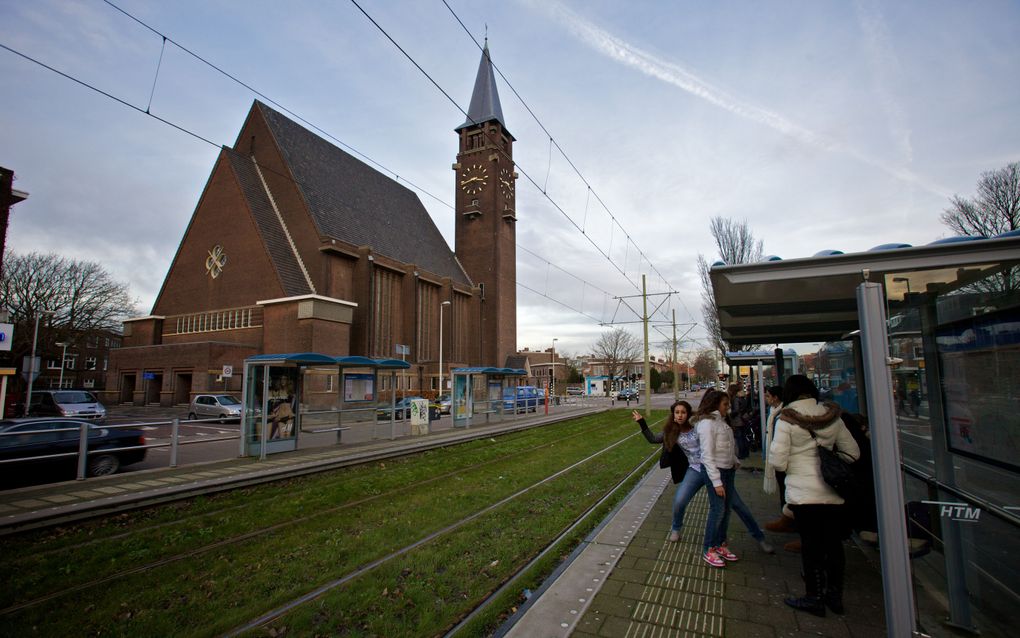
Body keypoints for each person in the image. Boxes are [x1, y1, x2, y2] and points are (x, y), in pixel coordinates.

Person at [769, 375, 860, 617]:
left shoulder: (787, 419)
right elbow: (853, 453)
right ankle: (835, 596)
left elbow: (777, 461)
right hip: (832, 493)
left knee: (811, 545)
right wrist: (829, 463)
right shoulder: (833, 417)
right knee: (833, 544)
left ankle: (814, 597)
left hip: (803, 492)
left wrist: (797, 466)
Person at [694, 389, 774, 568]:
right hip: (716, 473)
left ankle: (721, 544)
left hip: (728, 470)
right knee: (718, 510)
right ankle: (708, 548)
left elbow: (727, 447)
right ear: (716, 404)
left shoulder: (722, 422)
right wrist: (716, 481)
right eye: (725, 404)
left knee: (727, 510)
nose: (728, 408)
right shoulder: (707, 424)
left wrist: (735, 461)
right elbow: (707, 455)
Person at [631, 402, 704, 543]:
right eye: (677, 412)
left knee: (729, 503)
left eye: (683, 412)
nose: (680, 415)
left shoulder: (698, 427)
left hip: (710, 468)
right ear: (673, 415)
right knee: (679, 501)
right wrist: (641, 422)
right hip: (694, 470)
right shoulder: (671, 432)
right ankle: (676, 529)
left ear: (688, 413)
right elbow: (652, 439)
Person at [763, 385, 797, 535]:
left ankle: (789, 521)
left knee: (787, 490)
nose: (766, 398)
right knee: (785, 490)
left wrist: (775, 462)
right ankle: (787, 519)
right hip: (781, 460)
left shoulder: (782, 416)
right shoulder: (773, 412)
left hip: (784, 462)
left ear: (776, 397)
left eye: (768, 395)